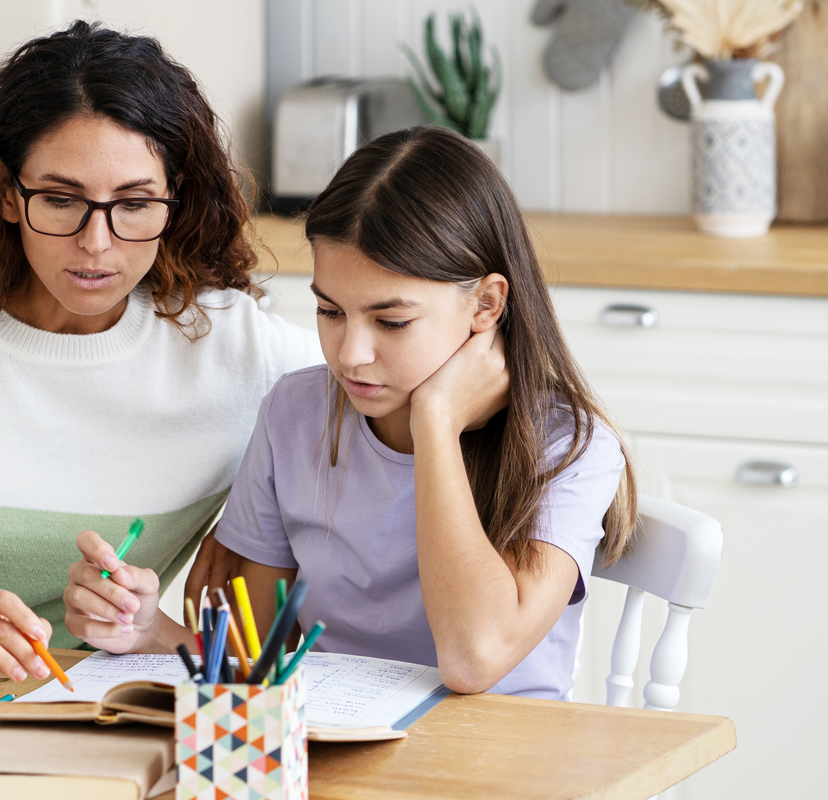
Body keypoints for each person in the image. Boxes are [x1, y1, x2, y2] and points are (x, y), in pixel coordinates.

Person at [0, 20, 321, 687]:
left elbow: (407, 377)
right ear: (7, 192)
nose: (97, 243)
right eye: (62, 199)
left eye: (133, 204)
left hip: (87, 707)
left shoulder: (241, 350)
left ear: (174, 200)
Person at [62, 126, 637, 700]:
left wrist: (435, 421)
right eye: (330, 311)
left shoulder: (567, 445)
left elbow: (472, 659)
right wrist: (148, 629)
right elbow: (247, 662)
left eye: (391, 321)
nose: (350, 355)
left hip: (499, 768)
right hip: (337, 758)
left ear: (486, 303)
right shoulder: (296, 414)